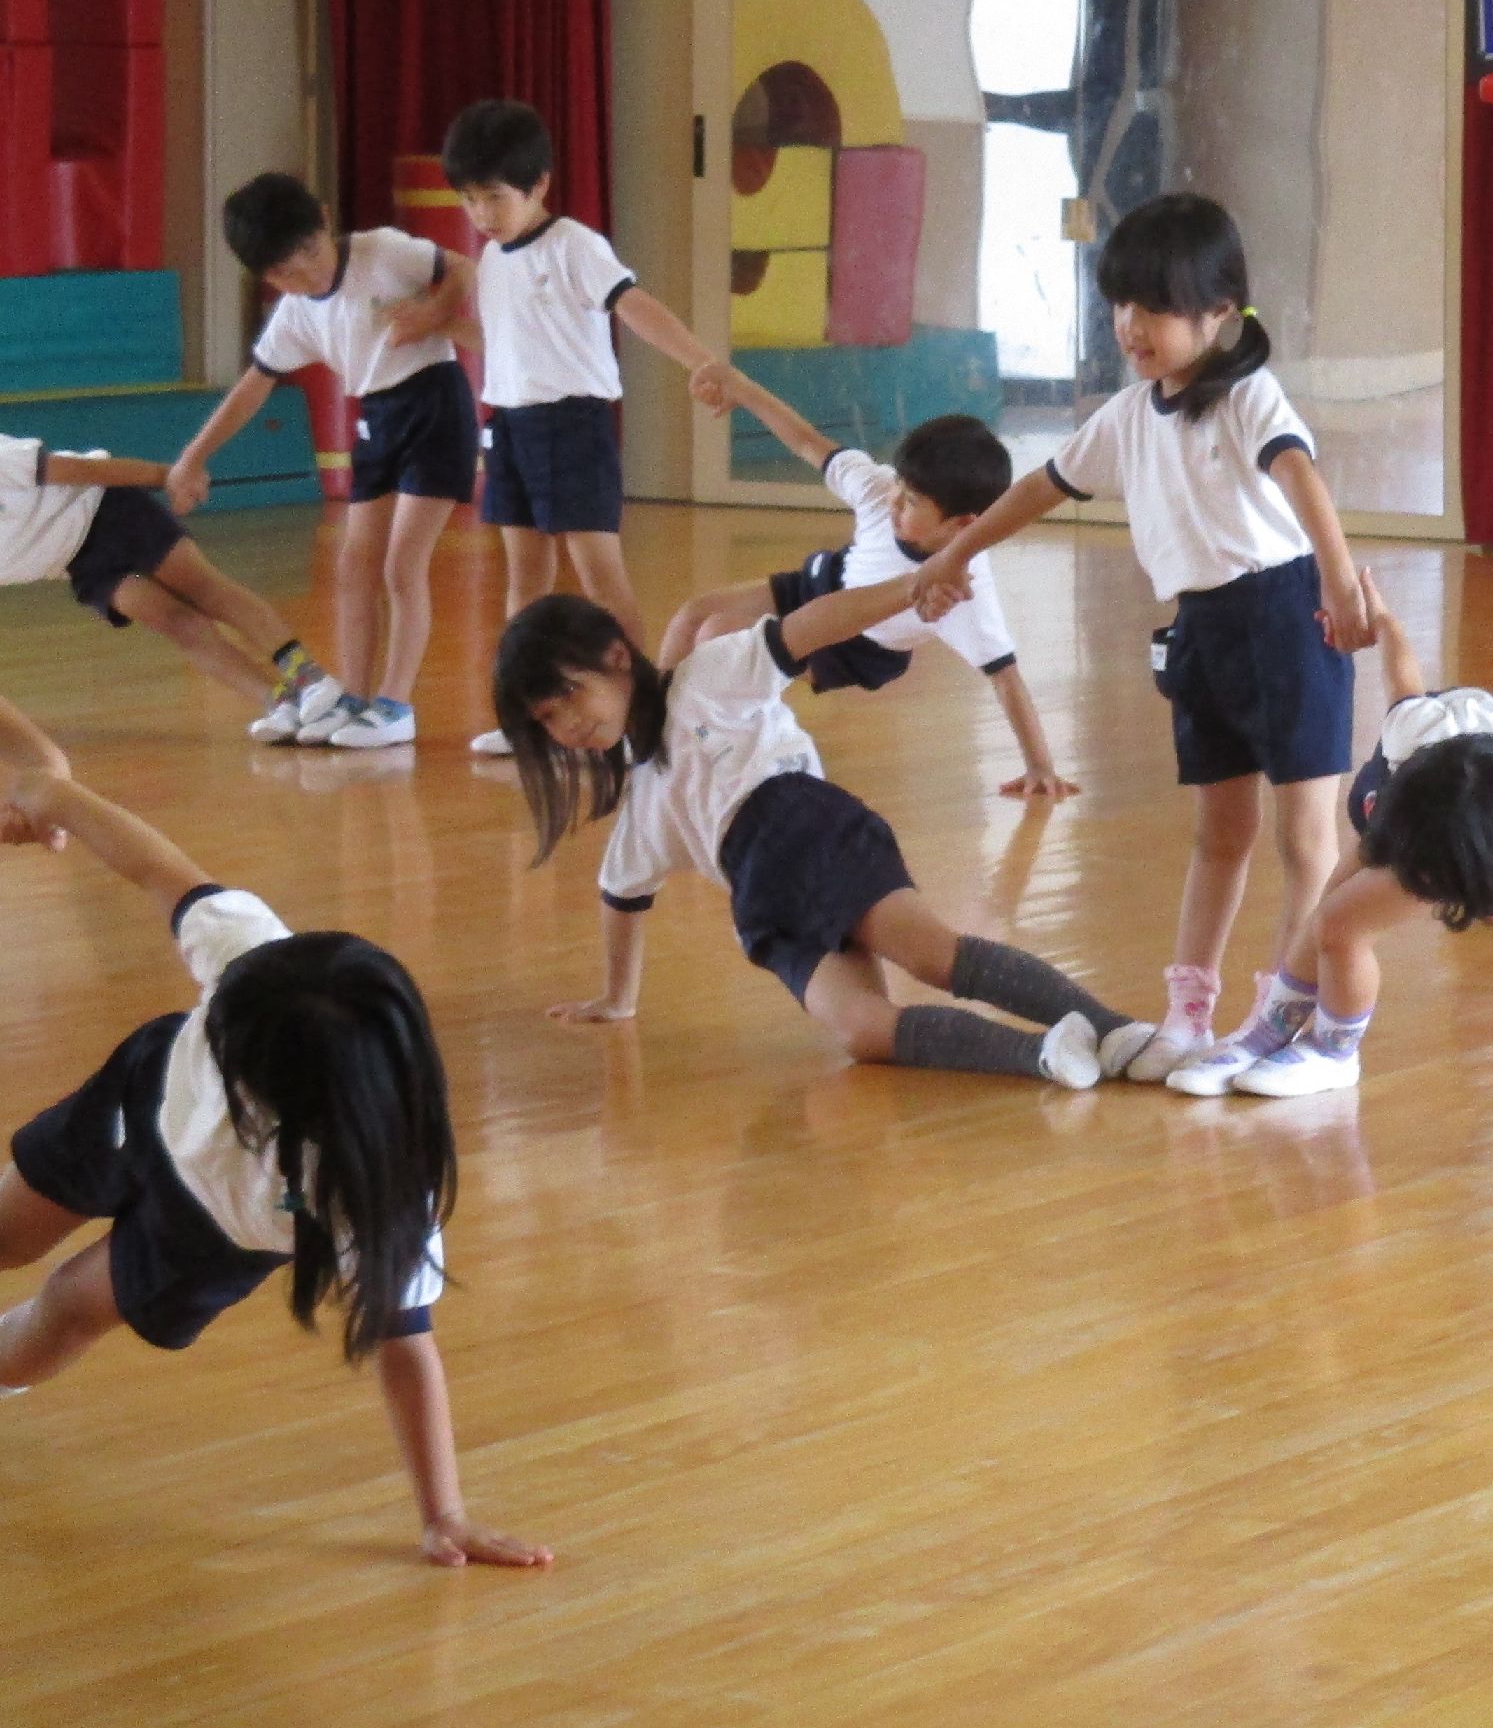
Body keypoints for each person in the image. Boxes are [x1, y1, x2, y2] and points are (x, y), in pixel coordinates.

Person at [0, 696, 548, 1569]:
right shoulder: (263, 967)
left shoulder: (375, 1193)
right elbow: (153, 865)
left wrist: (444, 1512)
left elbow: (405, 1345)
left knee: (66, 1312)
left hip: (209, 1234)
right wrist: (54, 794)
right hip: (135, 1106)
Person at [905, 195, 1372, 1084]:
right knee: (1219, 834)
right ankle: (1189, 1016)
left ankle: (1287, 1022)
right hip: (1203, 632)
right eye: (1120, 303)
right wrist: (956, 553)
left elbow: (1299, 474)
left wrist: (1339, 578)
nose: (1130, 325)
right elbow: (1039, 488)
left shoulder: (1248, 397)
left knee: (1305, 841)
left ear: (1220, 312)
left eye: (1155, 306)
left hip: (1288, 621)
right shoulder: (1127, 417)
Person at [496, 570, 1157, 1085]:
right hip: (763, 905)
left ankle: (1117, 1030)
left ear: (617, 657)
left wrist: (911, 588)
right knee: (863, 1032)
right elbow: (621, 897)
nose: (566, 725)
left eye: (569, 696)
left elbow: (809, 626)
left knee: (930, 954)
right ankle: (1044, 1055)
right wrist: (617, 999)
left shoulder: (706, 679)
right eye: (547, 720)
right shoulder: (640, 807)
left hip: (809, 833)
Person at [1177, 571, 1493, 1183]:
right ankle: (1273, 1029)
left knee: (1340, 925)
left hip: (1460, 816)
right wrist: (1384, 622)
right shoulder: (1417, 732)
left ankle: (1334, 1052)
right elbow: (1403, 676)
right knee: (1328, 909)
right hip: (1422, 793)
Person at [438, 99, 719, 758]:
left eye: (494, 197)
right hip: (508, 425)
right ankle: (530, 715)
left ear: (539, 184)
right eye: (469, 199)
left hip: (572, 424)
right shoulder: (493, 260)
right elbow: (507, 344)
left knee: (600, 577)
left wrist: (702, 362)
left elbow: (635, 306)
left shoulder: (574, 245)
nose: (481, 213)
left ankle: (639, 717)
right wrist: (437, 326)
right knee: (523, 579)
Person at [171, 171, 477, 749]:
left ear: (326, 222)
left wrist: (434, 314)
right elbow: (253, 387)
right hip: (377, 418)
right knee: (354, 565)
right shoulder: (294, 314)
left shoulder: (381, 251)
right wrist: (193, 456)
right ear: (268, 278)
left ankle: (396, 705)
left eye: (311, 252)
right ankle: (354, 699)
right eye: (287, 272)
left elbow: (462, 266)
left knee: (402, 564)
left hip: (435, 405)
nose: (307, 274)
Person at [675, 364, 1076, 800]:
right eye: (899, 485)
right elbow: (806, 440)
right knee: (694, 615)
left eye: (912, 500)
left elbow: (1006, 678)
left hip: (853, 649)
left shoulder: (963, 589)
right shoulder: (878, 489)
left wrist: (1040, 766)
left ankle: (712, 750)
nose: (894, 500)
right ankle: (657, 728)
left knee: (719, 635)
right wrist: (743, 389)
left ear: (962, 524)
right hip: (818, 583)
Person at [0, 429, 340, 741]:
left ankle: (307, 676)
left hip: (106, 509)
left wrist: (168, 476)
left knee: (204, 589)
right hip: (81, 563)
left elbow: (80, 470)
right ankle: (280, 704)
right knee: (178, 624)